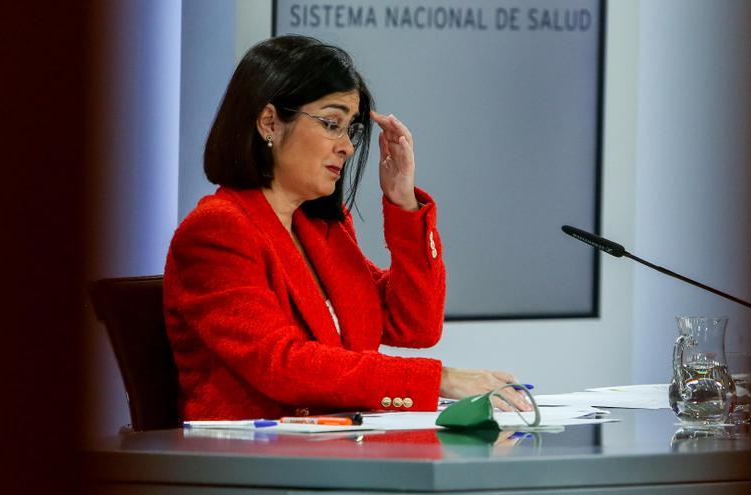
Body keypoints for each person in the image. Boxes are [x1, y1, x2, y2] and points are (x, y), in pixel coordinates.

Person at [163, 35, 531, 420]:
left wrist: (403, 204)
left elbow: (415, 325)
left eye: (350, 128)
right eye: (331, 123)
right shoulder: (216, 230)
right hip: (250, 465)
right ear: (269, 122)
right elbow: (283, 365)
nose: (348, 147)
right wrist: (439, 380)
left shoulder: (324, 229)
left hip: (335, 451)